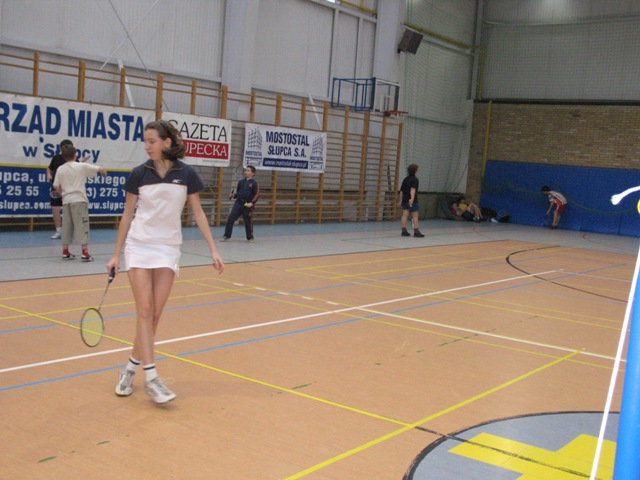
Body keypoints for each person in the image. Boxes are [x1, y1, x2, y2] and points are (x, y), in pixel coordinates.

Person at [106, 119, 224, 405]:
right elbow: (127, 214)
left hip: (168, 248)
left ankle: (130, 368)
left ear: (166, 142)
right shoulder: (139, 174)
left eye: (152, 141)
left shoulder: (186, 174)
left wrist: (213, 249)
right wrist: (116, 254)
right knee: (145, 311)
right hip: (139, 245)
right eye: (145, 142)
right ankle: (151, 377)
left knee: (155, 315)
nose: (147, 146)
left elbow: (198, 213)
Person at [53, 143, 106, 261]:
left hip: (66, 201)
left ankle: (65, 251)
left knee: (67, 226)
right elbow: (101, 169)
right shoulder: (81, 166)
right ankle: (84, 253)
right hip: (79, 200)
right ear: (75, 154)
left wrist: (63, 192)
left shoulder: (60, 169)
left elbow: (56, 185)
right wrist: (104, 174)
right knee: (82, 225)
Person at [47, 139, 88, 239]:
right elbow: (49, 168)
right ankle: (59, 230)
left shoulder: (74, 159)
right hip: (57, 187)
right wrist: (48, 174)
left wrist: (83, 161)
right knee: (55, 208)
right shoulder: (56, 158)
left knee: (71, 210)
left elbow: (77, 167)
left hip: (69, 188)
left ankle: (72, 231)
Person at [221, 165, 260, 242]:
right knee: (230, 219)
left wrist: (252, 203)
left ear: (253, 173)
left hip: (247, 204)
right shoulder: (241, 182)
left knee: (248, 222)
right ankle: (226, 235)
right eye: (245, 170)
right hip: (238, 203)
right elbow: (239, 193)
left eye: (248, 170)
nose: (246, 172)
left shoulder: (254, 183)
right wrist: (233, 195)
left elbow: (257, 194)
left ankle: (250, 237)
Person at [398, 163, 425, 237]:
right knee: (415, 216)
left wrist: (401, 200)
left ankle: (403, 230)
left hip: (405, 199)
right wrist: (412, 198)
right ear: (415, 171)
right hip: (412, 201)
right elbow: (412, 189)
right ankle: (416, 231)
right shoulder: (415, 179)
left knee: (404, 215)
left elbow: (401, 191)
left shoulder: (405, 179)